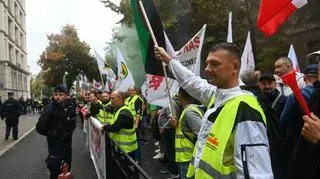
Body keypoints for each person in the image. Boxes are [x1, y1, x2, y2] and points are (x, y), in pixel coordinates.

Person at [155, 42, 273, 178]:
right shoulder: (218, 96)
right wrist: (169, 61)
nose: (207, 69)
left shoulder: (245, 110)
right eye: (207, 64)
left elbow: (257, 174)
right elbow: (192, 82)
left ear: (235, 67)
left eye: (215, 64)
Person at [36, 84, 76, 179]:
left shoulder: (70, 106)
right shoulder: (49, 108)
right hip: (55, 145)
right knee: (55, 170)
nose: (58, 97)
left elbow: (73, 122)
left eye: (61, 94)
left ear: (66, 95)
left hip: (67, 144)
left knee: (66, 169)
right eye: (56, 94)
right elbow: (39, 128)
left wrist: (68, 130)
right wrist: (53, 133)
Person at [174, 88, 203, 179]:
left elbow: (202, 136)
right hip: (185, 157)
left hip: (188, 157)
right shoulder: (188, 110)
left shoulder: (189, 112)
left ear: (180, 95)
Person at [101, 90, 137, 159]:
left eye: (113, 98)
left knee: (126, 168)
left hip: (127, 149)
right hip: (121, 148)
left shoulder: (124, 112)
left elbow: (115, 128)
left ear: (120, 98)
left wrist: (104, 127)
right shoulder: (118, 109)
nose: (111, 100)